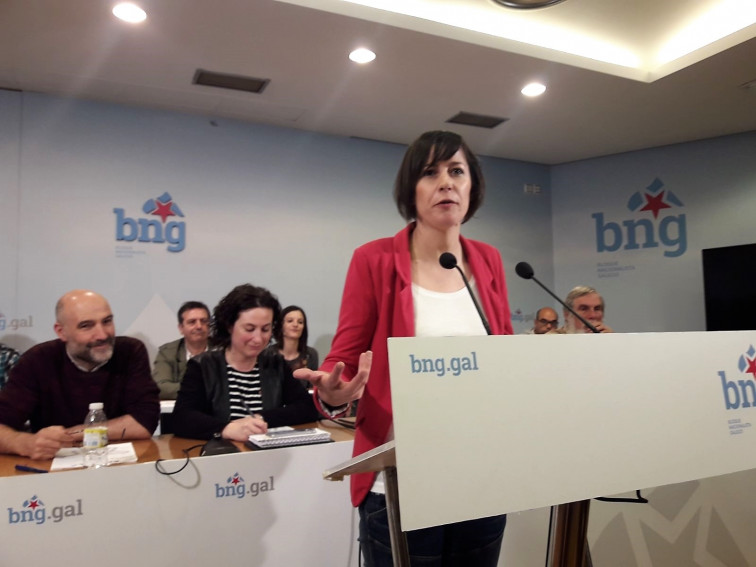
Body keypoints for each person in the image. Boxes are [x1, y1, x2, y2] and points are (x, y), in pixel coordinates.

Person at [295, 131, 513, 566]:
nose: (446, 183)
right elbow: (343, 360)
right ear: (410, 189)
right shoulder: (373, 260)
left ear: (472, 186)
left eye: (456, 171)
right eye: (430, 173)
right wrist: (334, 391)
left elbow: (505, 357)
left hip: (481, 476)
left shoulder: (488, 260)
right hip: (400, 482)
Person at [0, 290, 160, 459]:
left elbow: (143, 423)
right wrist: (26, 443)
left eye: (107, 321)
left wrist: (72, 434)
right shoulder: (37, 360)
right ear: (61, 332)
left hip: (121, 465)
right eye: (86, 326)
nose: (102, 335)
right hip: (53, 468)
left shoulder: (130, 352)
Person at [172, 284, 319, 441]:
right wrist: (225, 429)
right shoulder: (203, 365)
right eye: (249, 329)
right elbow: (182, 418)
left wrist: (260, 419)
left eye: (265, 329)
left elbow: (307, 408)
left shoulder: (275, 364)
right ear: (229, 326)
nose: (258, 339)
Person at [152, 300, 211, 400]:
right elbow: (160, 387)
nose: (199, 326)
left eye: (203, 321)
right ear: (181, 328)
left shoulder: (224, 350)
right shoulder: (167, 352)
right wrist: (201, 390)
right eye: (192, 322)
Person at [272, 305, 319, 371]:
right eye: (290, 321)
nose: (295, 325)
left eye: (300, 322)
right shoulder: (269, 354)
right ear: (281, 326)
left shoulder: (310, 355)